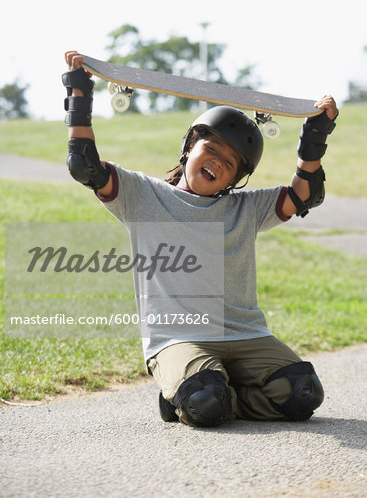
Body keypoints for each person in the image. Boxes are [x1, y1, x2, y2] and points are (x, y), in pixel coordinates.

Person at [63, 50, 339, 427]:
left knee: (303, 392)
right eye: (211, 149)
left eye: (229, 163)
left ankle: (201, 395)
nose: (216, 163)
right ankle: (198, 393)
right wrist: (79, 90)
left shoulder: (245, 208)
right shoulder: (142, 196)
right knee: (207, 403)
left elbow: (304, 195)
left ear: (235, 179)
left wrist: (316, 133)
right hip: (178, 339)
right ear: (190, 145)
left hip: (246, 335)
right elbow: (85, 164)